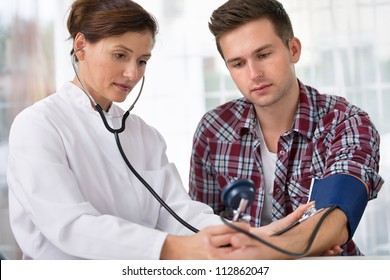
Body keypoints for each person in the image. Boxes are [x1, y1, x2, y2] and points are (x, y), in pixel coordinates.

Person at [7, 0, 323, 260]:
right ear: (80, 47)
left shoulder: (143, 134)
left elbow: (179, 213)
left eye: (142, 60)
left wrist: (247, 236)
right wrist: (175, 247)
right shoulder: (38, 126)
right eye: (120, 55)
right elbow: (70, 226)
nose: (132, 73)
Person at [189, 0, 384, 257]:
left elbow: (335, 220)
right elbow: (200, 230)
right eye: (238, 63)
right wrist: (302, 244)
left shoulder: (345, 121)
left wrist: (254, 251)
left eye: (263, 55)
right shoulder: (213, 130)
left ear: (293, 49)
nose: (254, 73)